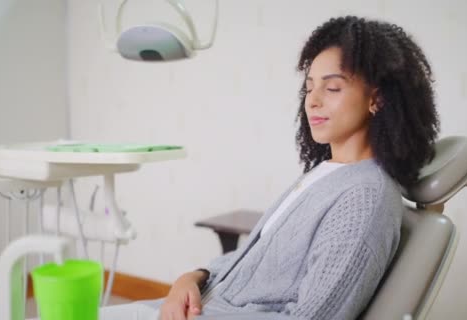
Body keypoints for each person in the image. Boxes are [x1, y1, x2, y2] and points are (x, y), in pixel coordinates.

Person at [103, 14, 440, 320]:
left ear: (376, 99)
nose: (313, 99)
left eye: (332, 87)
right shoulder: (325, 173)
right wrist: (190, 279)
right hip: (200, 302)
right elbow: (248, 263)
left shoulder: (365, 198)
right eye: (309, 87)